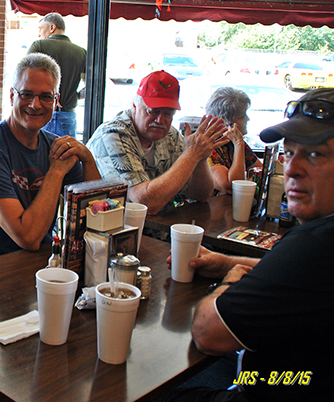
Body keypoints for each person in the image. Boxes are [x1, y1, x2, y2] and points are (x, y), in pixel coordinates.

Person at [162, 88, 333, 402]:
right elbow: (302, 281)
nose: (292, 169)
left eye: (315, 154)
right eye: (289, 152)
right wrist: (227, 262)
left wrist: (228, 281)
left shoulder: (316, 245)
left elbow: (207, 332)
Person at [0, 53, 101, 255]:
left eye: (46, 97)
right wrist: (56, 172)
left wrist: (87, 158)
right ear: (12, 96)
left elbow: (98, 214)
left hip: (42, 261)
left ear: (56, 101)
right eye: (26, 94)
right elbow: (28, 238)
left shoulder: (55, 146)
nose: (35, 104)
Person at [86, 70, 227, 214]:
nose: (160, 120)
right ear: (134, 106)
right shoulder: (113, 136)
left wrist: (200, 158)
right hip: (115, 225)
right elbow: (145, 203)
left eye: (168, 113)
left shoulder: (170, 134)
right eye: (153, 111)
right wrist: (192, 154)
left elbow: (201, 195)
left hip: (158, 225)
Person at [26, 12, 86, 137]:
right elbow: (92, 85)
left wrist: (48, 97)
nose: (39, 34)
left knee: (40, 148)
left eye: (40, 29)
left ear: (52, 27)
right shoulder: (82, 53)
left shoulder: (38, 46)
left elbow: (25, 76)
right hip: (68, 114)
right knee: (67, 149)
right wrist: (75, 96)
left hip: (42, 112)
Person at [205, 87, 263, 194]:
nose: (247, 119)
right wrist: (238, 143)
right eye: (242, 116)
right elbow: (232, 186)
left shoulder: (233, 142)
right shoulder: (209, 146)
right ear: (226, 123)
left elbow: (260, 172)